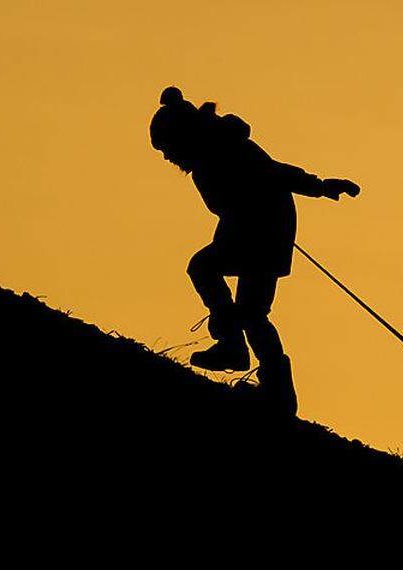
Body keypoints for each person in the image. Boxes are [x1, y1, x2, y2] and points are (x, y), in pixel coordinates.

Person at [149, 86, 360, 415]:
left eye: (167, 147)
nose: (167, 157)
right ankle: (276, 389)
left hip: (263, 231)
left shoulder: (224, 149)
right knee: (250, 311)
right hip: (258, 229)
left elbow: (275, 173)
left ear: (183, 136)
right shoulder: (214, 151)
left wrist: (320, 186)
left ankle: (233, 346)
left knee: (205, 270)